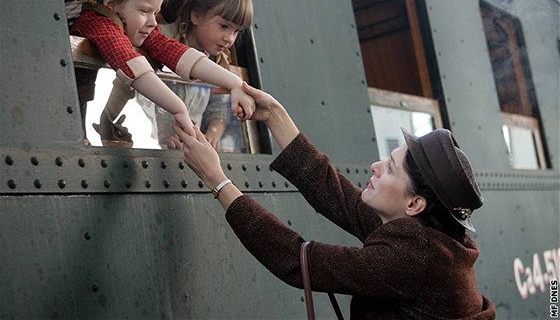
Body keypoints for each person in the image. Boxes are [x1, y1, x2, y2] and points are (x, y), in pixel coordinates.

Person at [174, 83, 496, 319]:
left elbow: (297, 260)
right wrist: (273, 114)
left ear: (415, 204)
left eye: (390, 168)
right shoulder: (424, 235)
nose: (375, 166)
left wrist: (217, 180)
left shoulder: (415, 259)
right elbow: (333, 191)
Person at [71, 0, 254, 142]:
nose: (153, 22)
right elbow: (131, 64)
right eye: (145, 11)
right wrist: (178, 108)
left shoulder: (138, 25)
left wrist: (235, 83)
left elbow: (173, 51)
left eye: (155, 12)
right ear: (111, 4)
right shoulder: (98, 23)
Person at [154, 0, 253, 150]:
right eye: (224, 26)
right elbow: (142, 94)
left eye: (236, 31)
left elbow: (220, 105)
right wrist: (159, 131)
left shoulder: (218, 60)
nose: (229, 38)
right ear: (197, 16)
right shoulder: (161, 39)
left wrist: (213, 134)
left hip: (190, 148)